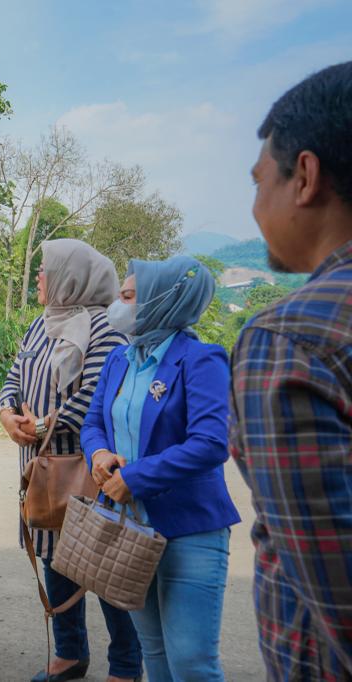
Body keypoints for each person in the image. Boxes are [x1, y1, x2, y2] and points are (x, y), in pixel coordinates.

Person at [230, 60, 352, 679]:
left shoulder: (290, 338)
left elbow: (338, 584)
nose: (254, 206)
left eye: (258, 182)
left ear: (304, 176)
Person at [82, 256, 241, 681]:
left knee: (191, 661)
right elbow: (94, 422)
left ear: (161, 302)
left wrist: (133, 477)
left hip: (189, 529)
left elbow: (210, 444)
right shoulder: (120, 359)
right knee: (153, 651)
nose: (119, 305)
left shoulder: (201, 359)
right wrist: (98, 455)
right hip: (130, 527)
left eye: (129, 297)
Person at [0, 239, 141, 682]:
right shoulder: (40, 325)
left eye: (46, 270)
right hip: (41, 468)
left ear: (71, 277)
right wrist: (7, 414)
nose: (39, 277)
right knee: (53, 555)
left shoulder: (105, 327)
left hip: (86, 467)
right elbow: (14, 376)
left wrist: (41, 428)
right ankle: (70, 654)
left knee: (101, 564)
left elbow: (98, 392)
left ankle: (125, 666)